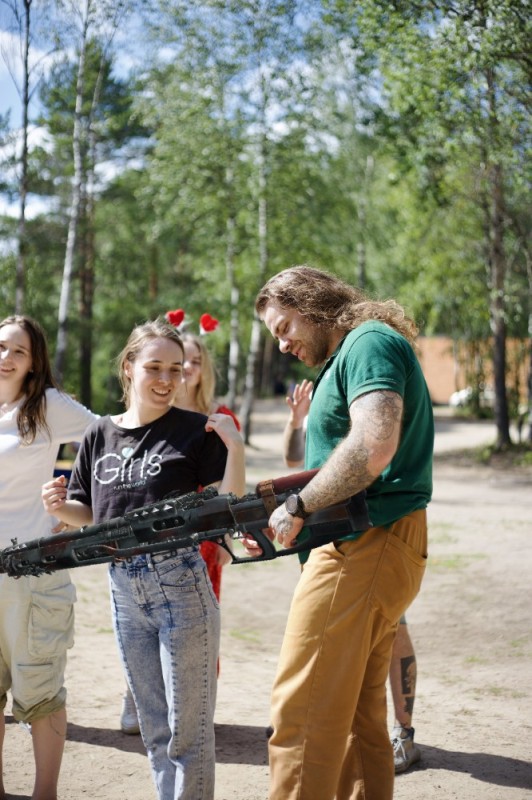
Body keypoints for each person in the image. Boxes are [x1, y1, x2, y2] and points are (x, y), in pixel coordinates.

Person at [250, 265, 433, 800]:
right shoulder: (349, 354)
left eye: (284, 327)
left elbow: (374, 446)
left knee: (301, 710)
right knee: (356, 715)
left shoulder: (368, 342)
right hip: (373, 543)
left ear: (311, 305)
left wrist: (299, 504)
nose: (282, 344)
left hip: (364, 543)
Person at [42, 318, 245, 800]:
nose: (166, 379)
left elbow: (227, 504)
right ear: (128, 367)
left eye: (175, 370)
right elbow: (91, 514)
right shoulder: (99, 435)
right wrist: (58, 507)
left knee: (188, 731)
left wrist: (234, 447)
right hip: (123, 590)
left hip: (182, 583)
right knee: (155, 730)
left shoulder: (196, 431)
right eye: (154, 367)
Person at [283, 379, 421, 774]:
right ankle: (344, 733)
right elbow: (294, 461)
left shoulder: (371, 402)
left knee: (393, 630)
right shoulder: (324, 401)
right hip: (326, 542)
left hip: (371, 537)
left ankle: (403, 733)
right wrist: (296, 421)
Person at [119, 331, 242, 735]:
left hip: (203, 538)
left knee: (199, 624)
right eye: (173, 362)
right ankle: (138, 697)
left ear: (201, 367)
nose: (181, 370)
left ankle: (194, 706)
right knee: (142, 620)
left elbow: (231, 485)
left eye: (189, 361)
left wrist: (228, 537)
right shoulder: (148, 416)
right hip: (151, 538)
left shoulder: (217, 419)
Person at [0, 314, 97, 800]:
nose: (6, 357)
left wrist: (76, 503)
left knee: (38, 692)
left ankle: (45, 794)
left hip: (32, 571)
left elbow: (106, 437)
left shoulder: (47, 407)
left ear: (34, 361)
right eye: (0, 347)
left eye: (18, 350)